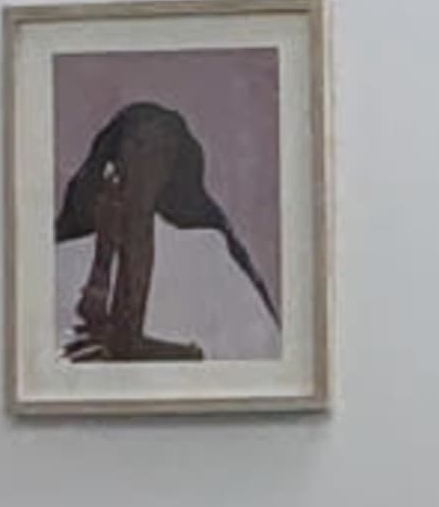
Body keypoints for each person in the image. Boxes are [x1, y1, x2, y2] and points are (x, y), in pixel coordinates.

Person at [57, 95, 280, 365]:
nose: (147, 162)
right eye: (138, 146)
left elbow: (264, 350)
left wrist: (160, 353)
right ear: (113, 158)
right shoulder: (63, 259)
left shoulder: (206, 251)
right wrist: (102, 262)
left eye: (162, 151)